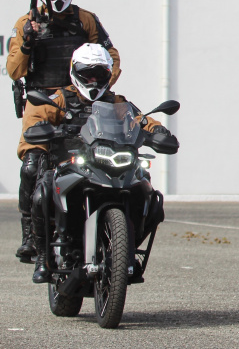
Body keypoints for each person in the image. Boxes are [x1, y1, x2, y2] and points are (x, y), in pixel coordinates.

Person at [22, 43, 174, 283]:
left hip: (111, 166)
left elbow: (140, 118)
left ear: (108, 74)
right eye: (87, 74)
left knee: (150, 196)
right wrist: (40, 128)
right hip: (72, 164)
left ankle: (127, 249)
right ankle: (43, 258)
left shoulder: (117, 102)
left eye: (99, 74)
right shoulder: (59, 99)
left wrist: (158, 131)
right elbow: (37, 117)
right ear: (75, 72)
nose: (93, 80)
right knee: (43, 190)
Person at [7, 0, 121, 263]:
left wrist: (100, 86)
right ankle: (31, 234)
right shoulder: (25, 23)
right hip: (42, 102)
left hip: (81, 97)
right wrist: (28, 42)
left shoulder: (86, 20)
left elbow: (110, 55)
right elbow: (14, 70)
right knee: (33, 165)